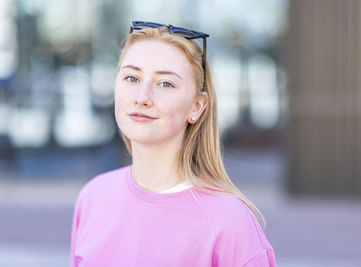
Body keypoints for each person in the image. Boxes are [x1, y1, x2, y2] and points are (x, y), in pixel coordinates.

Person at [70, 20, 276, 267]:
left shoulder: (229, 223)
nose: (142, 97)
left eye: (165, 83)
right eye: (131, 78)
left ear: (196, 106)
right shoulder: (93, 197)